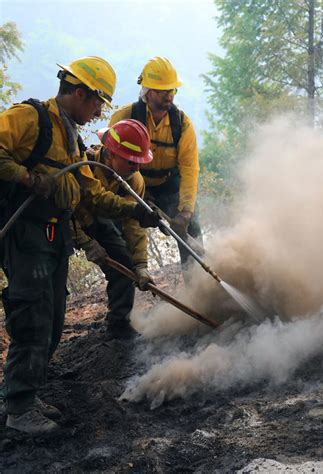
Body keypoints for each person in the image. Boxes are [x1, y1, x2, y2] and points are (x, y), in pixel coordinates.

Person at [0, 56, 163, 434]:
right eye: (96, 103)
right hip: (27, 235)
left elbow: (91, 196)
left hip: (54, 236)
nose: (98, 114)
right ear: (79, 93)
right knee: (32, 318)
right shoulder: (31, 119)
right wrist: (28, 178)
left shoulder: (70, 135)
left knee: (53, 318)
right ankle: (20, 409)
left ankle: (28, 393)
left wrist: (137, 212)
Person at [109, 56, 202, 280]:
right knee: (120, 241)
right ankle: (122, 306)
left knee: (193, 234)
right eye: (162, 91)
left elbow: (189, 168)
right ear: (148, 91)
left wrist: (185, 212)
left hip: (168, 184)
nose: (169, 96)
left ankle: (201, 294)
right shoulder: (125, 118)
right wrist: (137, 198)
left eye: (172, 90)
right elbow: (109, 161)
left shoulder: (182, 123)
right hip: (131, 183)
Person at [73, 119, 156, 340]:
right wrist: (85, 242)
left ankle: (119, 325)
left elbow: (133, 224)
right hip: (65, 222)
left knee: (123, 265)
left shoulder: (134, 179)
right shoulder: (84, 167)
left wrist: (141, 265)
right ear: (111, 154)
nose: (137, 168)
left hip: (98, 222)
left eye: (139, 162)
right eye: (131, 162)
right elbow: (66, 211)